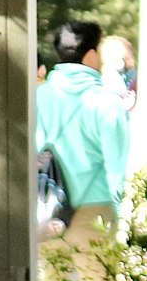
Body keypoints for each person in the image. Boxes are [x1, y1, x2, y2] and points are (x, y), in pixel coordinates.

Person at [35, 20, 134, 258]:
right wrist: (125, 220)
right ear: (90, 56)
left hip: (47, 210)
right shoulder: (107, 103)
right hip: (95, 213)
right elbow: (117, 170)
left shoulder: (37, 97)